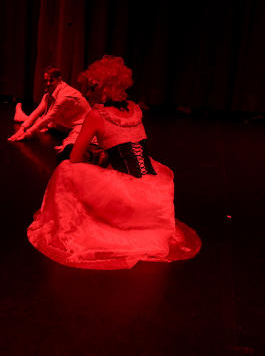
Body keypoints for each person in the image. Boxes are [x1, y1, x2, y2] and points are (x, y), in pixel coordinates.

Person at [26, 56, 201, 269]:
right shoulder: (136, 110)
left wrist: (91, 156)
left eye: (91, 89)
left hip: (129, 195)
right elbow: (123, 144)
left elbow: (74, 158)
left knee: (66, 170)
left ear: (102, 90)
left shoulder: (96, 115)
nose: (87, 94)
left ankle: (72, 223)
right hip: (156, 192)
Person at [9, 66, 90, 161]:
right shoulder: (51, 92)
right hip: (64, 122)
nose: (47, 84)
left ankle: (21, 117)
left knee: (70, 142)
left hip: (81, 125)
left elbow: (49, 117)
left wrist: (28, 133)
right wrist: (22, 128)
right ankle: (21, 117)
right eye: (45, 81)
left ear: (59, 80)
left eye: (51, 81)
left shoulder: (65, 96)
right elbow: (37, 111)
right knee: (44, 122)